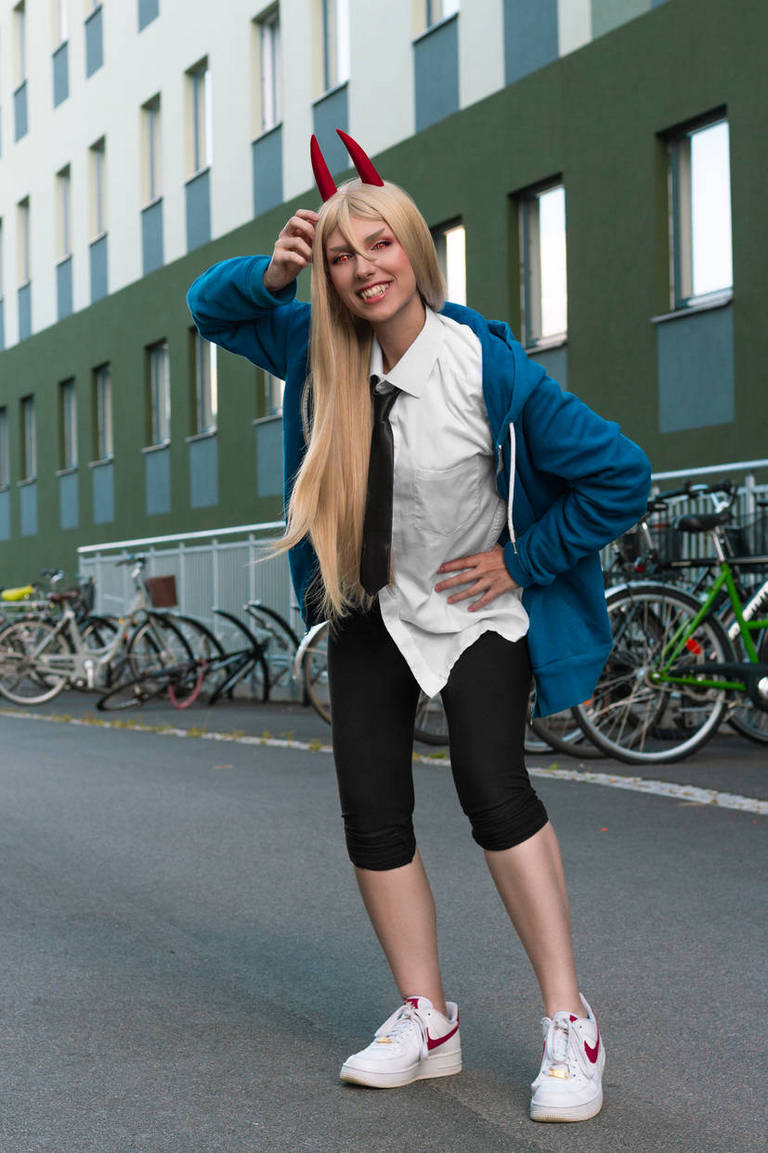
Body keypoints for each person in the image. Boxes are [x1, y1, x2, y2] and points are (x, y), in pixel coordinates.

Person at [187, 130, 651, 1123]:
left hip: (482, 608)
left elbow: (622, 474)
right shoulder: (316, 346)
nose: (363, 270)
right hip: (373, 608)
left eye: (380, 247)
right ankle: (425, 1019)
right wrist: (270, 272)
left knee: (494, 789)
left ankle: (570, 1022)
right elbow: (209, 311)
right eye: (342, 256)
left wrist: (521, 561)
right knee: (372, 811)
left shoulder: (484, 367)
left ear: (414, 250)